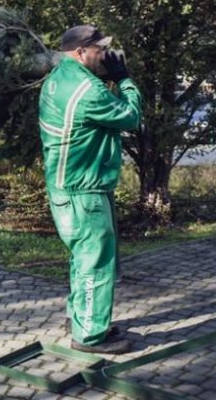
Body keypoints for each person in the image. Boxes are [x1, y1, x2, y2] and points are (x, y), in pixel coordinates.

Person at [38, 24, 142, 354]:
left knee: (82, 258)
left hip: (65, 186)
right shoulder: (88, 90)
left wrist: (104, 78)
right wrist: (124, 79)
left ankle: (80, 316)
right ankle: (90, 336)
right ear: (81, 52)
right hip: (84, 191)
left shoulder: (57, 79)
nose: (106, 56)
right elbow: (130, 116)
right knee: (96, 262)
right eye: (100, 50)